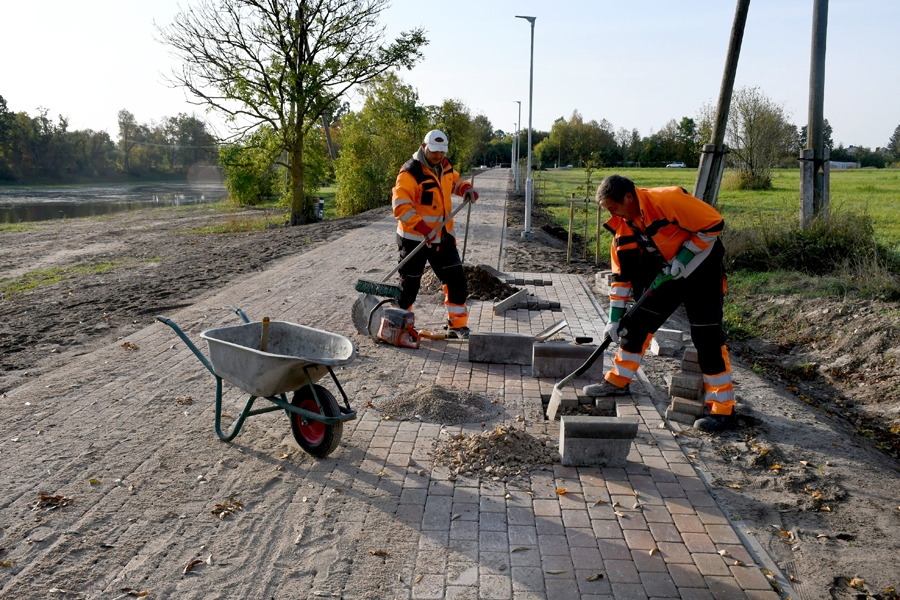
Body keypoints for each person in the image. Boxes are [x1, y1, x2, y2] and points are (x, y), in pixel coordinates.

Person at [588, 174, 735, 431]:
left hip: (702, 271)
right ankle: (617, 382)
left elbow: (713, 223)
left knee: (707, 338)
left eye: (613, 208)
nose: (612, 215)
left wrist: (687, 254)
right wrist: (614, 319)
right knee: (634, 324)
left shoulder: (667, 200)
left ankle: (722, 409)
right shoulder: (622, 232)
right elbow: (621, 279)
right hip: (668, 274)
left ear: (628, 197)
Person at [391, 130, 479, 339]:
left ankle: (457, 326)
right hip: (414, 239)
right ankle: (399, 324)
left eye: (441, 152)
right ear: (424, 147)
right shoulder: (410, 172)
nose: (438, 156)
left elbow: (454, 181)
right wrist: (422, 228)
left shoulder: (445, 167)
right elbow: (401, 205)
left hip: (443, 236)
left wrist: (466, 188)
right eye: (434, 152)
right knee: (410, 285)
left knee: (455, 279)